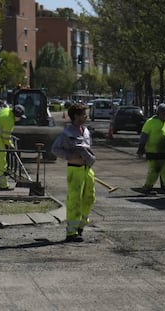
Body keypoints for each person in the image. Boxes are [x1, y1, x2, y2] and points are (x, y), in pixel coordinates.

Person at [51, 103, 96, 243]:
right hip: (75, 170)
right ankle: (71, 232)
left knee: (89, 198)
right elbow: (55, 149)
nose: (86, 116)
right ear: (76, 116)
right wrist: (71, 157)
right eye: (83, 114)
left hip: (87, 170)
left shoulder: (86, 131)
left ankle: (81, 226)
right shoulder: (67, 133)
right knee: (74, 200)